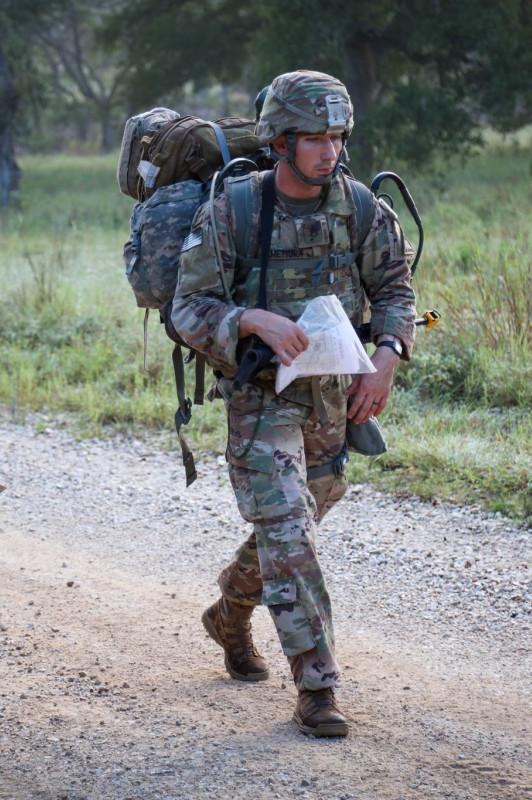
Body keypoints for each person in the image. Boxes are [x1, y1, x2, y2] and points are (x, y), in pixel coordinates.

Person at [170, 70, 417, 737]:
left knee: (297, 523)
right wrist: (253, 320)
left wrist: (387, 357)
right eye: (312, 137)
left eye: (336, 136)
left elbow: (394, 287)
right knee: (287, 529)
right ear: (280, 140)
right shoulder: (237, 210)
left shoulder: (363, 209)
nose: (327, 151)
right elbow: (186, 309)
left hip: (335, 399)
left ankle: (229, 613)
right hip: (260, 399)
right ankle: (317, 685)